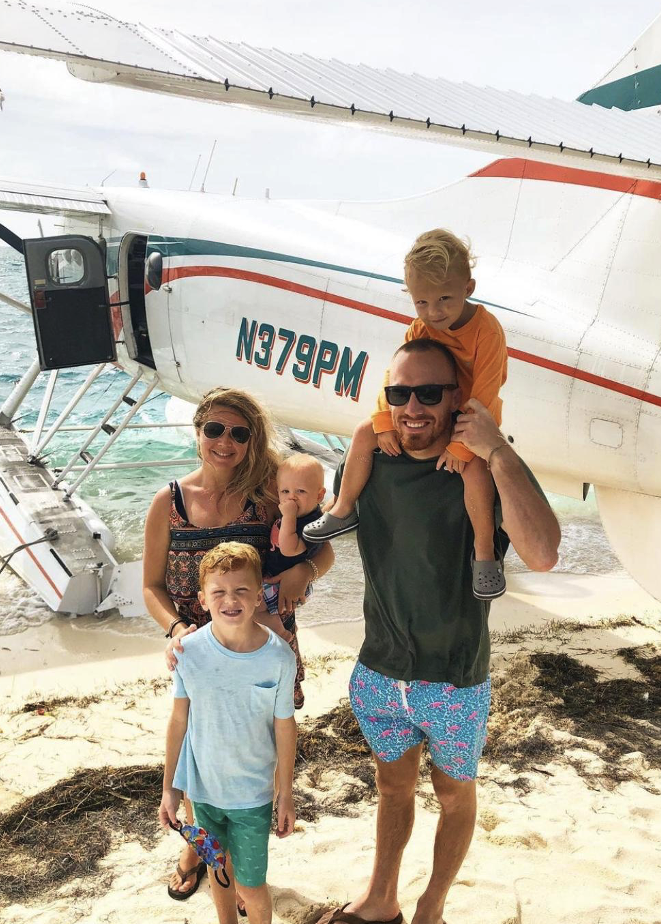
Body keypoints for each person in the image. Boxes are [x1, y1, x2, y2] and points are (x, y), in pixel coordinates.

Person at [318, 338, 560, 924]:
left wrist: (497, 450)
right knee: (393, 790)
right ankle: (382, 900)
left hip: (452, 680)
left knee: (454, 797)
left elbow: (544, 552)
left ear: (459, 400)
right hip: (379, 672)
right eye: (400, 393)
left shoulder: (480, 468)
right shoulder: (372, 458)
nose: (413, 408)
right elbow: (319, 521)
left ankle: (431, 908)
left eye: (430, 393)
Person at [143, 387, 334, 900]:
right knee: (196, 741)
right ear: (198, 432)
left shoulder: (269, 497)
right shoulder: (169, 501)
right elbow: (151, 586)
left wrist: (306, 573)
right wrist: (175, 628)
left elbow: (324, 547)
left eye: (239, 433)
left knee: (260, 739)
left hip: (262, 645)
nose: (224, 441)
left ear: (252, 442)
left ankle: (250, 833)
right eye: (214, 429)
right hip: (199, 652)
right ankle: (198, 847)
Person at [305, 229, 509, 600]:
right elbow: (397, 375)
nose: (434, 312)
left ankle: (484, 552)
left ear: (470, 287)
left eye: (445, 298)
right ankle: (344, 507)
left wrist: (462, 447)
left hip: (470, 415)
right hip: (427, 411)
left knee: (477, 467)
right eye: (422, 303)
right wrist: (384, 421)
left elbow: (486, 392)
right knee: (364, 431)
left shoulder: (487, 331)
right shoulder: (421, 327)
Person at [158, 541, 297, 924]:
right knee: (219, 871)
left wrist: (285, 794)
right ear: (202, 599)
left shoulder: (280, 658)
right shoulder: (186, 651)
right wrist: (169, 788)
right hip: (202, 794)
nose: (229, 600)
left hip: (252, 796)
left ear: (257, 597)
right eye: (218, 592)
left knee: (251, 886)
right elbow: (178, 722)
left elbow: (285, 726)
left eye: (240, 591)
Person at [259, 453, 326, 648]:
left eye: (301, 491)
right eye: (285, 491)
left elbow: (289, 549)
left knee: (255, 604)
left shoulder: (312, 523)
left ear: (319, 495)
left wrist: (288, 516)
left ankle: (280, 630)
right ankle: (285, 628)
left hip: (286, 583)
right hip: (279, 576)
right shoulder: (302, 514)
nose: (291, 498)